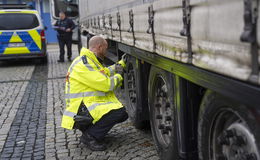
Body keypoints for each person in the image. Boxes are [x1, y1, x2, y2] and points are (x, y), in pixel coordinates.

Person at [61, 36, 128, 151]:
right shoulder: (84, 64)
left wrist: (119, 65)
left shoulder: (89, 60)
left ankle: (91, 129)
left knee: (122, 114)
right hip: (79, 110)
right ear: (99, 47)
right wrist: (119, 75)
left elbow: (103, 72)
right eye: (105, 49)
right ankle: (90, 136)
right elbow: (107, 85)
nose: (106, 52)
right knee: (118, 112)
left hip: (83, 106)